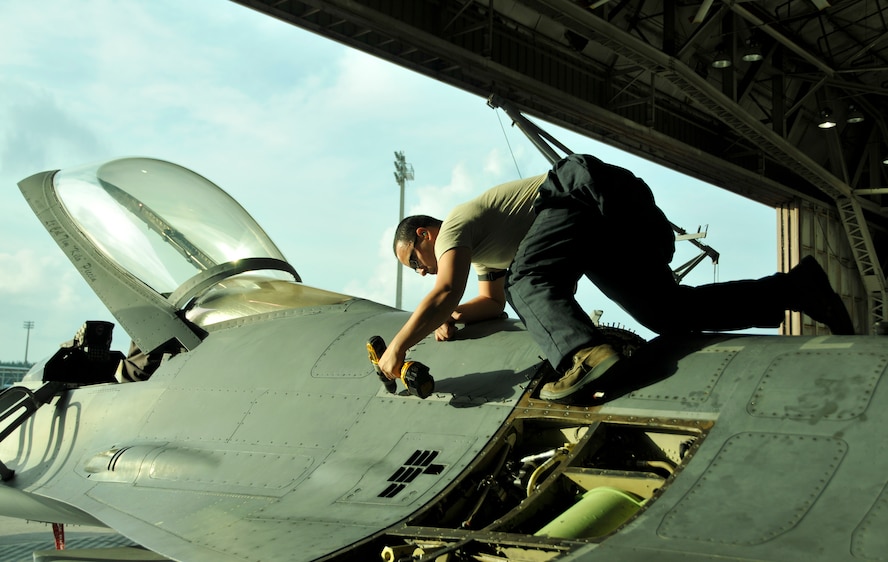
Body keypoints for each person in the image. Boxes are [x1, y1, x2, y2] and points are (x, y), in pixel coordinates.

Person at [378, 154, 855, 401]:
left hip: (582, 191)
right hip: (619, 216)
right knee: (667, 313)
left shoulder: (456, 226)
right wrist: (458, 315)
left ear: (425, 234)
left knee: (529, 280)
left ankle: (584, 355)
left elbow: (445, 289)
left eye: (415, 259)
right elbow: (490, 301)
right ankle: (797, 289)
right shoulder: (485, 253)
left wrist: (398, 348)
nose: (421, 269)